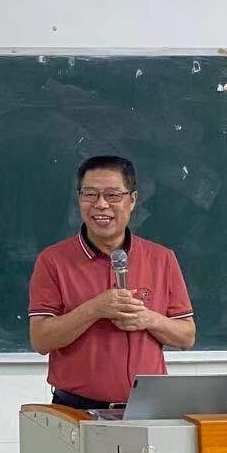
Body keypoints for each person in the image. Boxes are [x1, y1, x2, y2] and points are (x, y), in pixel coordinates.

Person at [28, 155, 195, 409]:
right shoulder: (53, 260)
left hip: (148, 407)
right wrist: (95, 309)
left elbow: (187, 336)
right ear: (79, 199)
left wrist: (149, 319)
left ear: (133, 200)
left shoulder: (162, 258)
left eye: (113, 195)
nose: (101, 205)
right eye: (90, 194)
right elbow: (41, 340)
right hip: (76, 409)